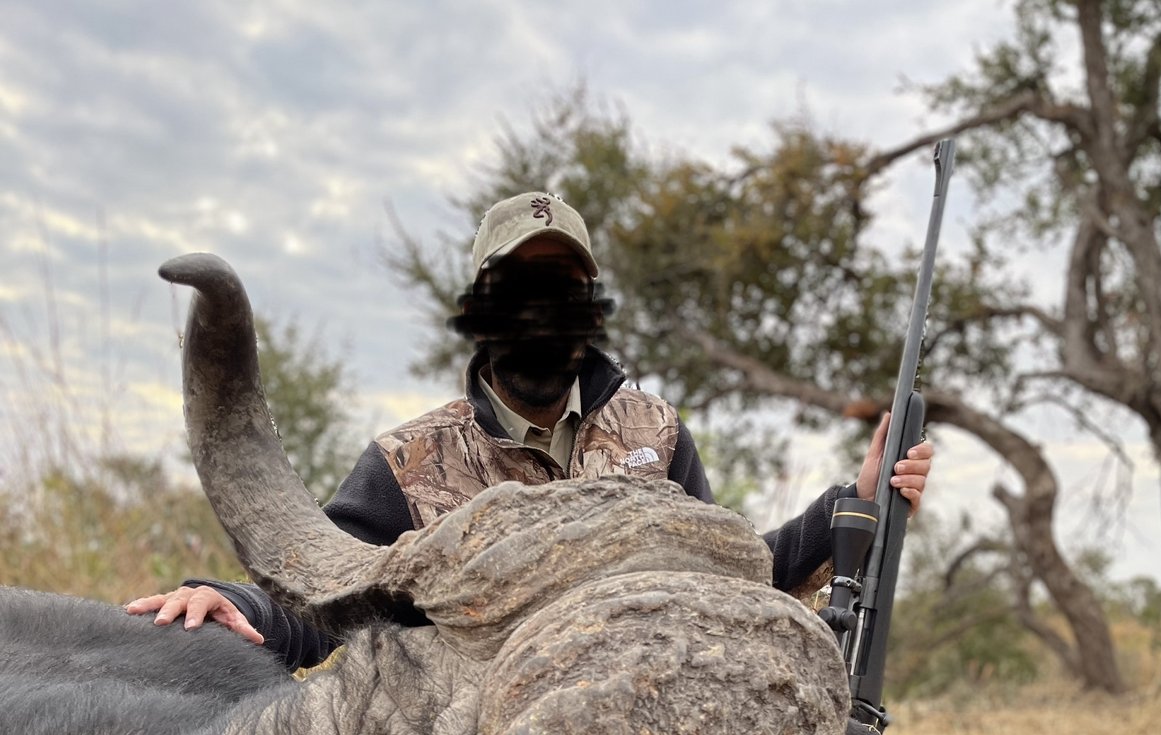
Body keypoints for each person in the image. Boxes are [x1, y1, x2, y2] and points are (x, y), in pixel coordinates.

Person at [128, 192, 934, 666]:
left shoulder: (655, 429)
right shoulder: (407, 463)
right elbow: (327, 594)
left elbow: (730, 583)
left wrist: (852, 503)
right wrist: (230, 602)